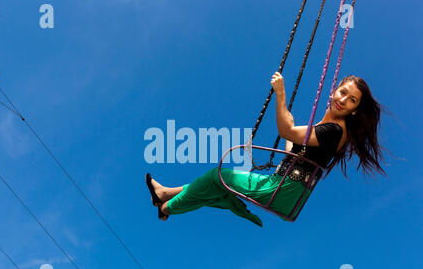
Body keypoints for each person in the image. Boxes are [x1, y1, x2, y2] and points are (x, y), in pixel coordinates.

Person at [146, 72, 387, 227]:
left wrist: (280, 95)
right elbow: (292, 144)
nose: (343, 100)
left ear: (355, 110)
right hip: (285, 190)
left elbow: (287, 133)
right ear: (334, 91)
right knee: (214, 183)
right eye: (343, 92)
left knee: (214, 176)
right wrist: (289, 125)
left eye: (352, 100)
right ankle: (166, 195)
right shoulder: (327, 128)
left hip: (284, 190)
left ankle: (167, 206)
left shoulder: (334, 130)